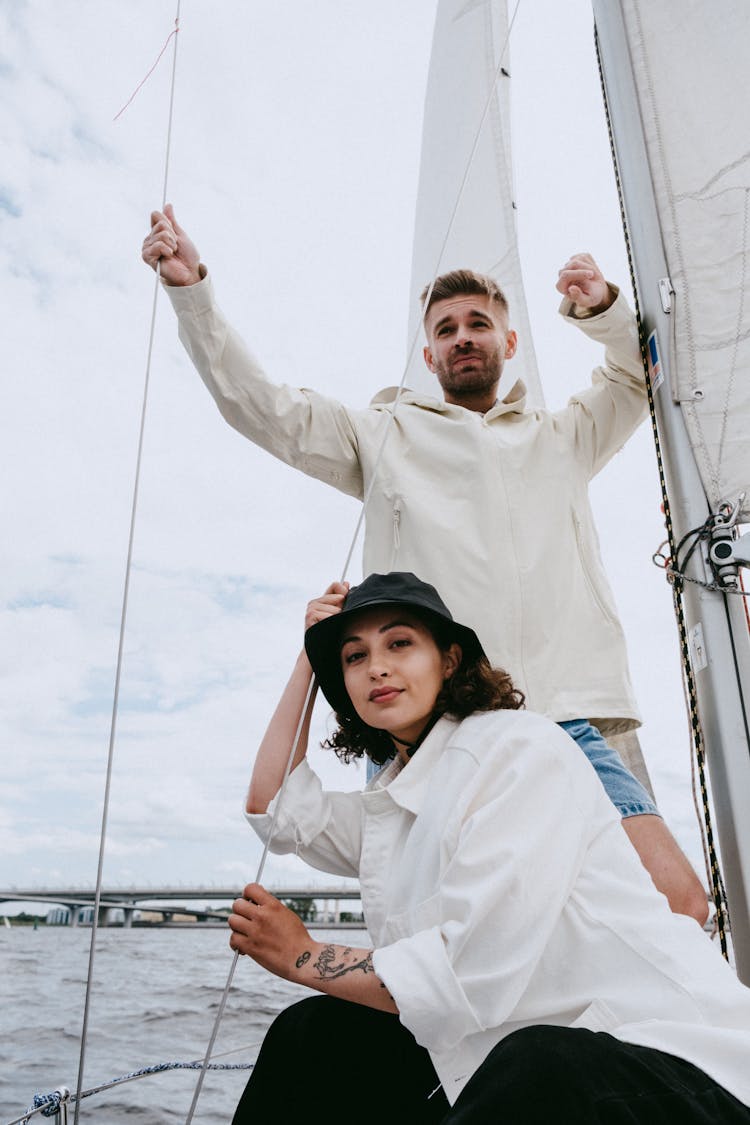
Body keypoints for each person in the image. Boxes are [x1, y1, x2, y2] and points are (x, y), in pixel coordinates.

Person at [141, 206, 708, 923]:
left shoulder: (565, 437)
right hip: (436, 726)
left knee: (673, 907)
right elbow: (265, 410)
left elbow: (636, 376)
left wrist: (600, 309)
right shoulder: (379, 435)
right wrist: (193, 292)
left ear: (507, 340)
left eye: (476, 323)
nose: (461, 337)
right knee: (447, 927)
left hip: (568, 714)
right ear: (429, 354)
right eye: (445, 330)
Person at [227, 571, 750, 1124]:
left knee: (538, 1064)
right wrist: (310, 659)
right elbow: (276, 810)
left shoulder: (517, 750)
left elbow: (469, 976)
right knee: (315, 1034)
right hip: (523, 1069)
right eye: (354, 657)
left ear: (450, 661)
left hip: (677, 1064)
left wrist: (303, 956)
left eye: (399, 643)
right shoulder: (396, 802)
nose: (376, 666)